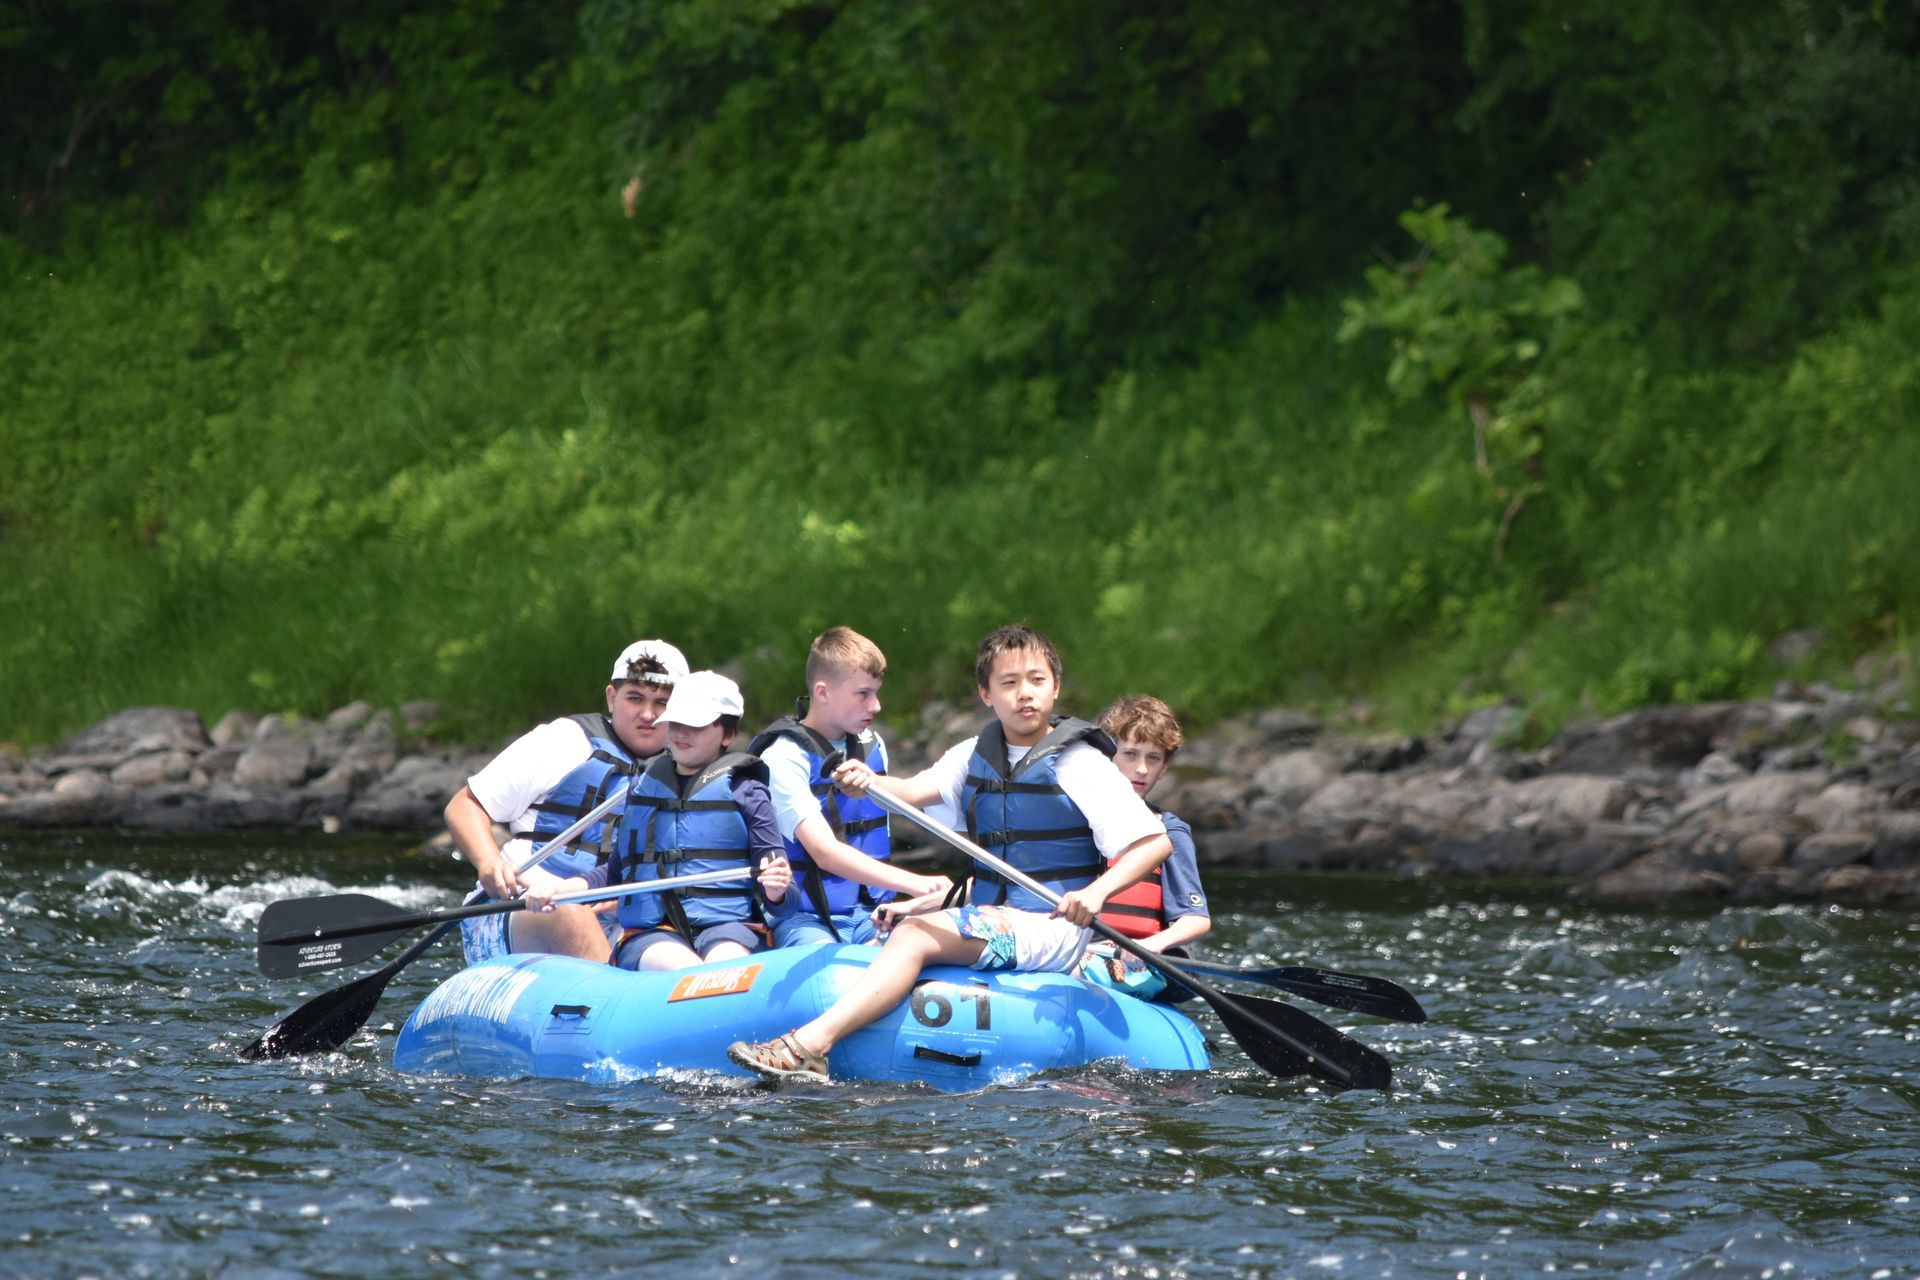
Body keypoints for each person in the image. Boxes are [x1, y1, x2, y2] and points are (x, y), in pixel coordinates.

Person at [726, 623, 1171, 1082]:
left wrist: (1096, 894)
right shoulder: (974, 753)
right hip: (996, 916)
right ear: (986, 694)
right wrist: (871, 782)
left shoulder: (1081, 762)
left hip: (1049, 926)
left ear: (1055, 687)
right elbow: (914, 791)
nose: (1025, 694)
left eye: (1037, 680)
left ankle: (809, 1047)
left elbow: (1155, 843)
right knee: (905, 930)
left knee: (915, 934)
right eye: (1009, 683)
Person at [445, 639, 690, 965]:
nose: (648, 714)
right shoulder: (565, 741)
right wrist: (488, 861)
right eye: (635, 698)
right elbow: (465, 805)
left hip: (623, 919)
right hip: (523, 906)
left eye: (662, 703)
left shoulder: (690, 770)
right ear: (612, 697)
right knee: (569, 912)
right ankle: (612, 989)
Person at [536, 670, 793, 970]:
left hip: (729, 928)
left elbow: (786, 899)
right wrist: (559, 890)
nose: (682, 733)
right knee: (683, 969)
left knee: (723, 966)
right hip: (653, 933)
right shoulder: (643, 786)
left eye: (695, 725)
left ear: (728, 734)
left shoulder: (747, 792)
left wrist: (777, 892)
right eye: (676, 722)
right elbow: (617, 872)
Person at [748, 626, 954, 948]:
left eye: (876, 692)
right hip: (808, 918)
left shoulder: (872, 744)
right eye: (863, 694)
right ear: (823, 692)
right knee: (829, 962)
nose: (876, 706)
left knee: (932, 946)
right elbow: (824, 852)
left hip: (875, 913)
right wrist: (918, 884)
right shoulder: (784, 757)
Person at [1076, 694, 1212, 1000]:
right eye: (1130, 754)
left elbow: (1195, 919)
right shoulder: (1072, 820)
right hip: (1077, 949)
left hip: (1140, 959)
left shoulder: (1170, 833)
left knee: (1070, 969)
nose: (1141, 768)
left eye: (1153, 758)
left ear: (1164, 767)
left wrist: (1151, 945)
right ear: (1105, 757)